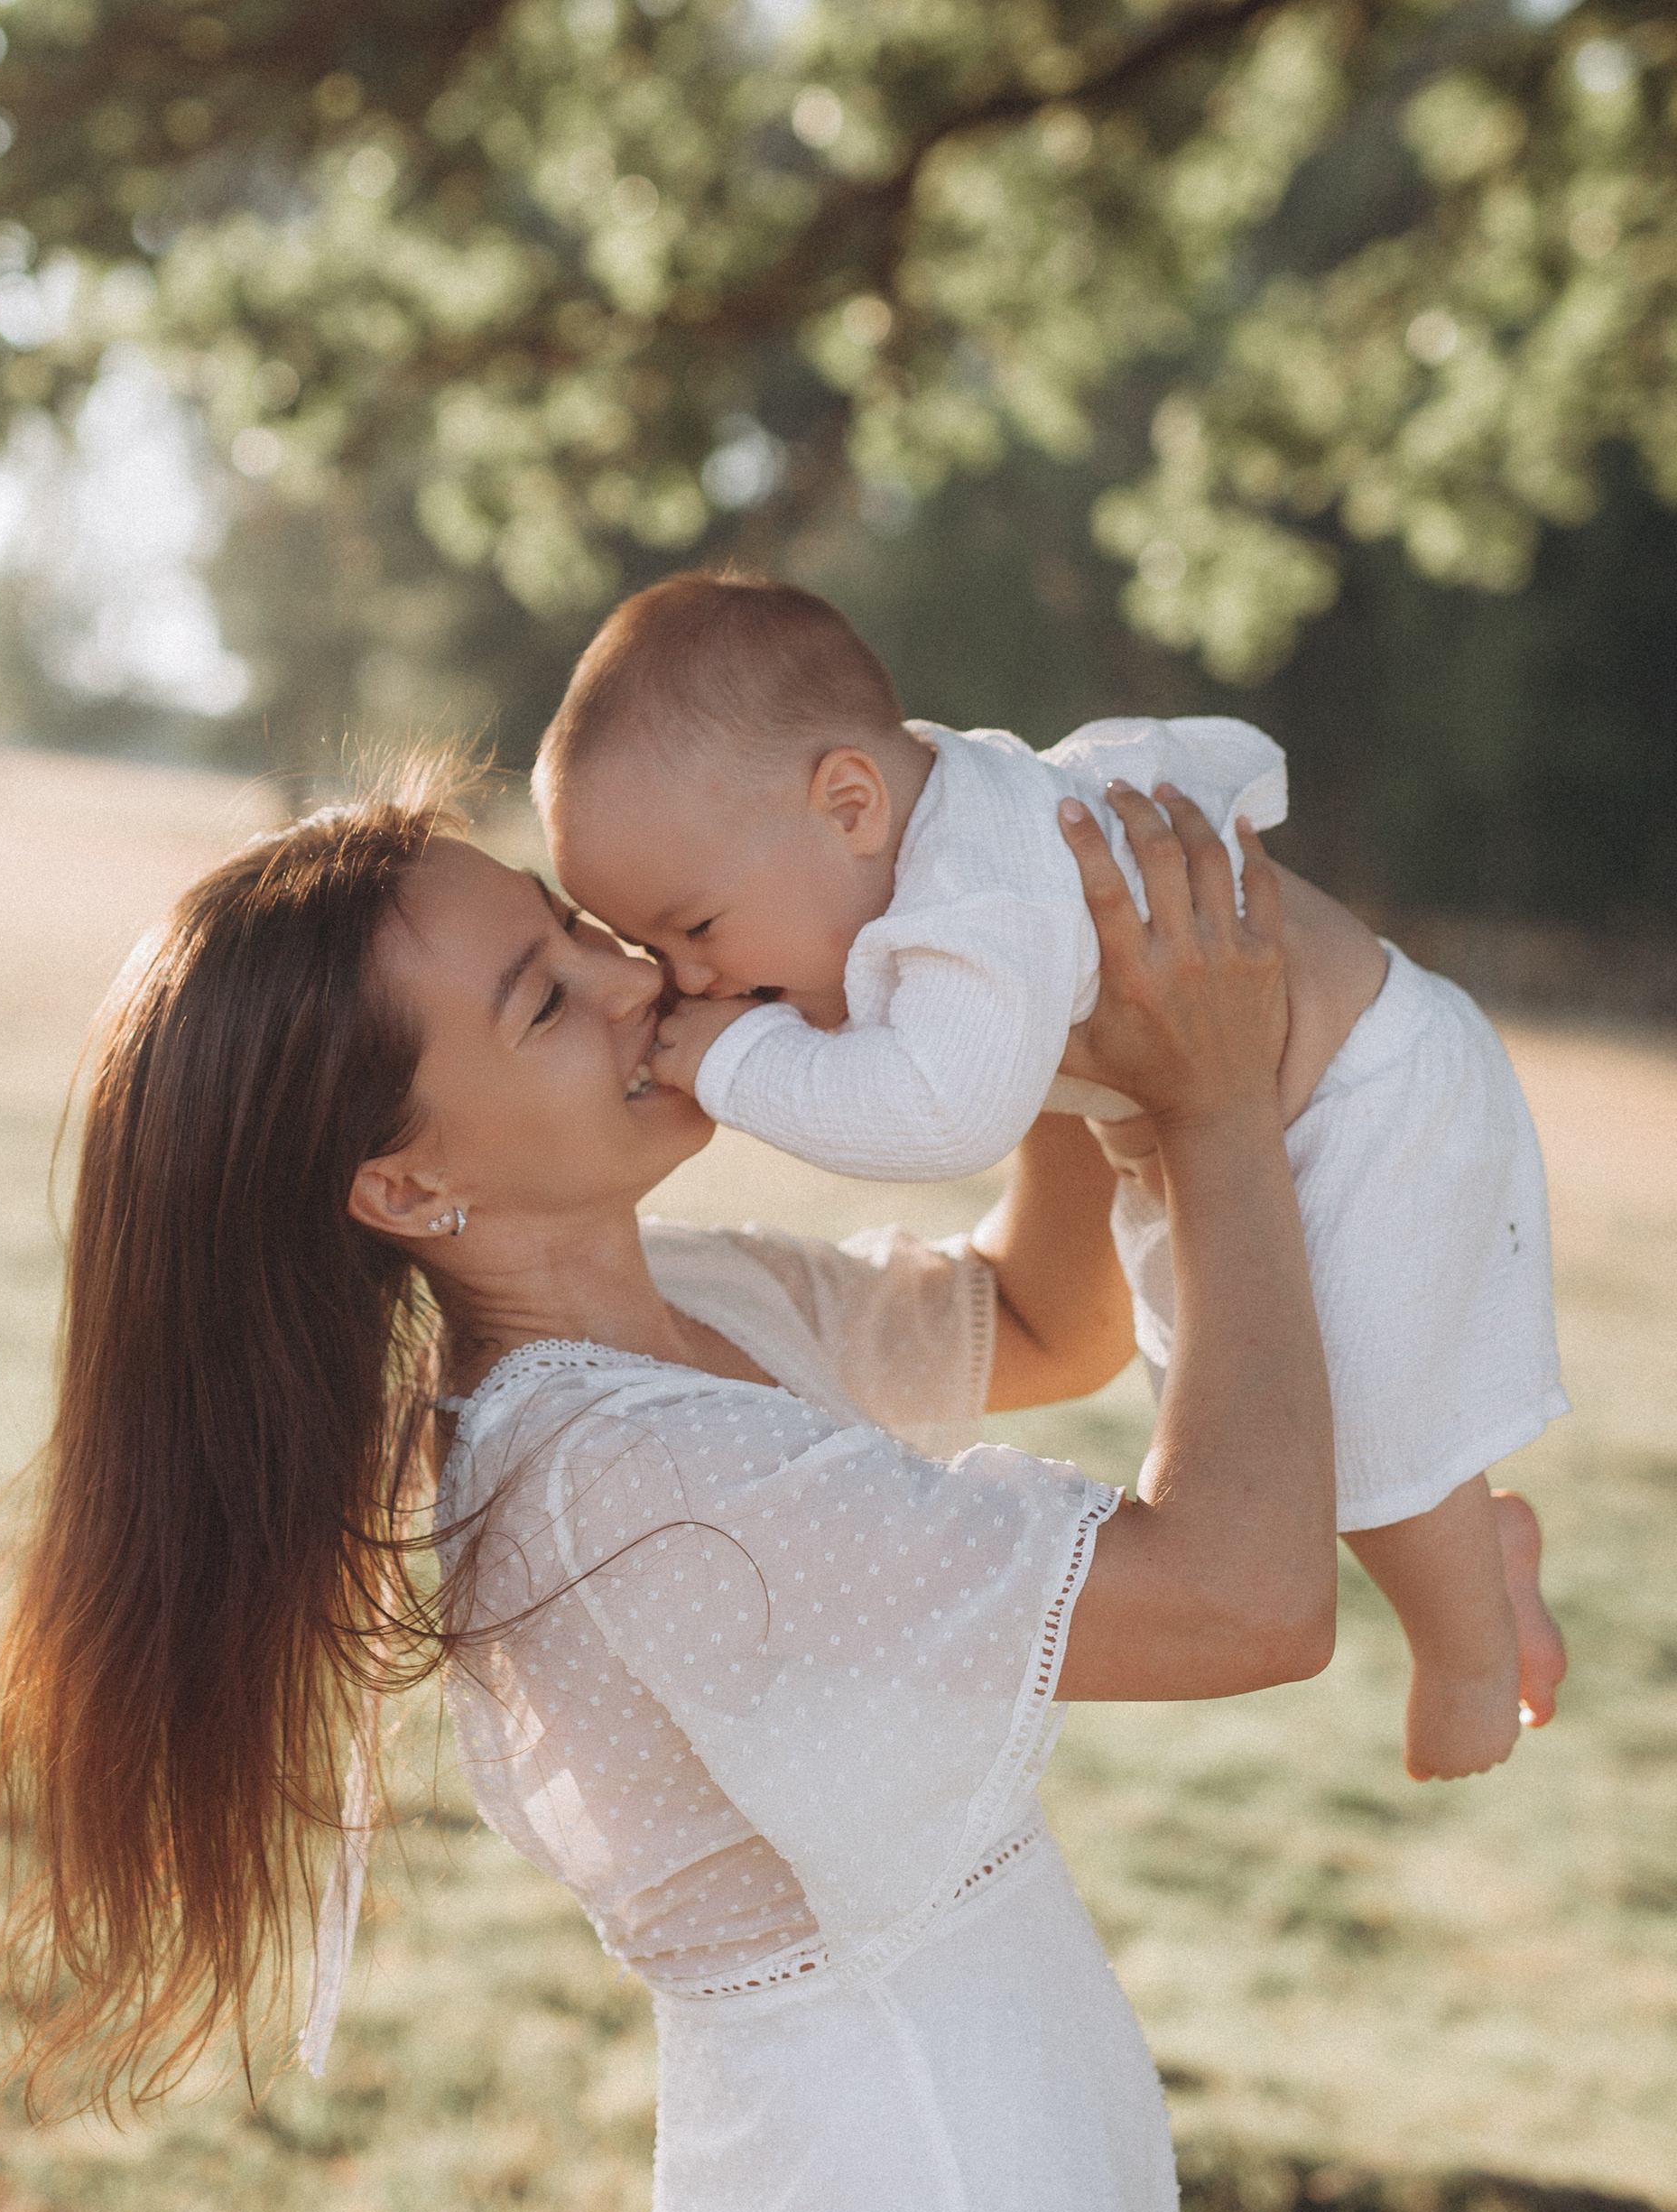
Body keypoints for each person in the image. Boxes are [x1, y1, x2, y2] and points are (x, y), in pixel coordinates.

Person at [0, 754, 1340, 2212]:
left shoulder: (677, 1321)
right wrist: (1207, 1113)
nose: (637, 987)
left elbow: (1041, 1326)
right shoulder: (620, 1478)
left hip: (972, 2157)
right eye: (543, 993)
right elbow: (1248, 1594)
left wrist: (1012, 965)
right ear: (403, 1186)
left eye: (581, 937)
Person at [535, 572, 1570, 1783]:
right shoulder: (916, 837)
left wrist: (738, 1058)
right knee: (1294, 1407)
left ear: (850, 803)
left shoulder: (976, 894)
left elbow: (938, 1118)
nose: (687, 982)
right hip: (1260, 1116)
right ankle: (1474, 1549)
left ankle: (1468, 1656)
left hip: (1364, 1096)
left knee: (1363, 1398)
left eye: (695, 930)